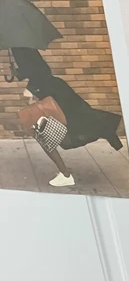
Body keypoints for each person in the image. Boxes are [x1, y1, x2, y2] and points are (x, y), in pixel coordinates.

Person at [11, 47, 123, 188]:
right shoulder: (26, 50)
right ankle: (105, 128)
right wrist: (18, 74)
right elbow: (37, 69)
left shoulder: (24, 58)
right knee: (76, 122)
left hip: (61, 111)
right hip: (68, 104)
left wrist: (29, 89)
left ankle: (65, 175)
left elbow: (34, 79)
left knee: (42, 134)